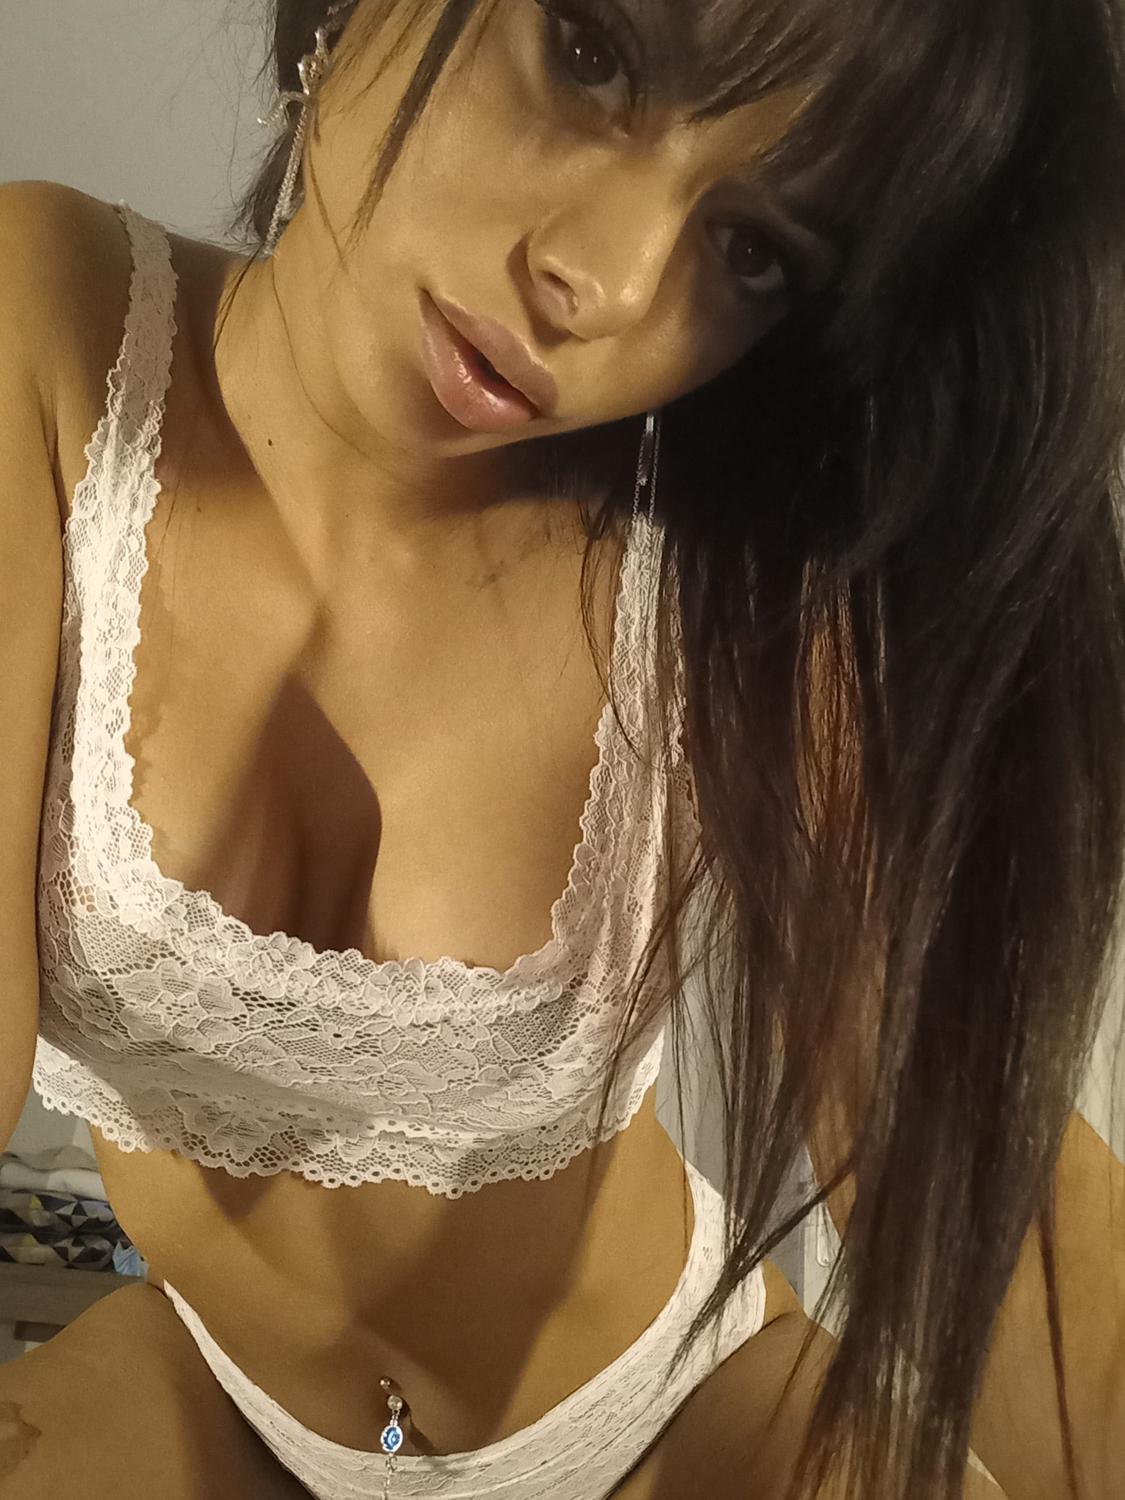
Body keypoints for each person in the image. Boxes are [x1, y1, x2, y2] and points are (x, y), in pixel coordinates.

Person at [0, 1, 1122, 1497]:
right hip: (220, 1401)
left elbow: (978, 1185)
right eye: (590, 57)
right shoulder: (48, 330)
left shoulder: (731, 590)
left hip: (667, 1413)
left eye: (751, 249)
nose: (604, 282)